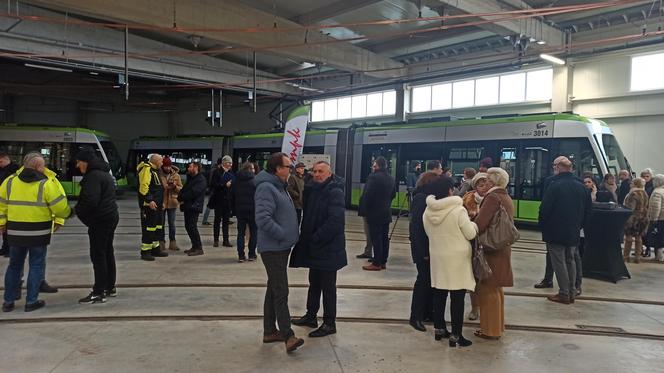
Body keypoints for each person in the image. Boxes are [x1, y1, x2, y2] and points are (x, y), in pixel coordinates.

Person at [1, 152, 71, 312]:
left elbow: (1, 205)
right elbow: (59, 206)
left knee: (14, 265)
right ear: (39, 167)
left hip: (15, 231)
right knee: (36, 265)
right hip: (39, 232)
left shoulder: (10, 182)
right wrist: (67, 214)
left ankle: (8, 302)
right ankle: (31, 301)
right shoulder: (45, 183)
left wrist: (1, 224)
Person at [290, 161, 347, 338]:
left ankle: (330, 323)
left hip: (328, 248)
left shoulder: (334, 192)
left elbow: (335, 222)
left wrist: (316, 237)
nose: (317, 174)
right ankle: (311, 316)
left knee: (328, 288)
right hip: (315, 247)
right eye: (314, 171)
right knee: (314, 283)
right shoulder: (313, 190)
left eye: (321, 171)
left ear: (329, 174)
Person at [255, 152, 304, 353]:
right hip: (273, 248)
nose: (291, 169)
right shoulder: (267, 188)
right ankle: (288, 335)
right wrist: (283, 234)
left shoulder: (280, 186)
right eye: (287, 166)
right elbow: (263, 219)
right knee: (281, 290)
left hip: (281, 248)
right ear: (277, 169)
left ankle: (269, 331)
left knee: (273, 288)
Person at [424, 176, 477, 347]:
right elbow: (470, 234)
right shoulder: (458, 210)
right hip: (457, 259)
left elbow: (428, 233)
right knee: (457, 297)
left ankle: (439, 329)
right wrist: (474, 224)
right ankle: (456, 335)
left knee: (439, 295)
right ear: (449, 190)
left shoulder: (428, 211)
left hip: (438, 256)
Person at [539, 157, 591, 305]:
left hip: (555, 230)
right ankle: (572, 291)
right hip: (573, 230)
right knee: (571, 260)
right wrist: (580, 225)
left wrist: (542, 226)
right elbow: (588, 210)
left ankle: (564, 293)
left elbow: (545, 209)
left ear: (558, 167)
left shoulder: (555, 185)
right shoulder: (582, 186)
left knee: (558, 262)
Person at [473, 167, 514, 339]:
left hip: (490, 249)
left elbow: (481, 224)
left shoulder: (492, 197)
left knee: (487, 289)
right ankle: (498, 327)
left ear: (493, 181)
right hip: (502, 247)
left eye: (488, 179)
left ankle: (489, 330)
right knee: (496, 289)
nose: (485, 181)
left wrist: (470, 219)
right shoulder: (505, 196)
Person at [74, 149, 119, 304]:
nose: (77, 165)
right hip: (111, 216)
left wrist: (77, 211)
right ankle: (109, 286)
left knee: (98, 255)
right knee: (107, 252)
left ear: (85, 162)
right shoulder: (105, 174)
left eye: (79, 161)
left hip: (100, 220)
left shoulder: (93, 176)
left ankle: (98, 292)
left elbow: (90, 200)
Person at [408, 171, 440, 332]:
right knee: (423, 281)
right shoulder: (421, 199)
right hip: (423, 250)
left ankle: (428, 313)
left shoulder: (429, 198)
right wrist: (423, 252)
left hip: (430, 248)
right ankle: (415, 316)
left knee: (431, 281)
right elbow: (416, 228)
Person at [359, 157, 396, 271]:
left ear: (377, 166)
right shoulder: (390, 178)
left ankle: (376, 263)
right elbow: (393, 194)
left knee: (376, 238)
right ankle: (383, 261)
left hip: (374, 212)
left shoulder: (373, 177)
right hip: (386, 212)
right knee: (384, 238)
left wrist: (365, 209)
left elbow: (367, 194)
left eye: (374, 165)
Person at [462, 172, 489, 320]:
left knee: (487, 278)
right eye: (480, 184)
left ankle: (487, 307)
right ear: (475, 186)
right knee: (474, 277)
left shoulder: (492, 199)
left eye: (486, 184)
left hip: (488, 243)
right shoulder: (467, 199)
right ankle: (475, 308)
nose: (484, 187)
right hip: (472, 242)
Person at [137, 154, 169, 261]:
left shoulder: (155, 170)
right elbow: (144, 187)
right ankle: (145, 252)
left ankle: (155, 249)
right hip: (149, 205)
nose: (162, 163)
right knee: (149, 228)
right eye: (161, 161)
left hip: (157, 205)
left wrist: (161, 203)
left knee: (156, 227)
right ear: (155, 161)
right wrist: (149, 200)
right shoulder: (147, 169)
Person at [179, 162, 207, 256]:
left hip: (194, 206)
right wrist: (180, 196)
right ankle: (194, 246)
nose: (188, 168)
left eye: (190, 167)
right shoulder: (191, 178)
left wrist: (182, 197)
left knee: (192, 226)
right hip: (188, 206)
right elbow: (184, 189)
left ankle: (199, 248)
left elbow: (193, 192)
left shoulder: (201, 179)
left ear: (196, 168)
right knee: (188, 226)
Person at [232, 162, 257, 262]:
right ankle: (251, 254)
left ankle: (241, 255)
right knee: (254, 232)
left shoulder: (236, 181)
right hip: (253, 210)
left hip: (240, 210)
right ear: (250, 169)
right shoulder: (255, 181)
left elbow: (231, 196)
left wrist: (233, 209)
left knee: (240, 233)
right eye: (253, 168)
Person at [158, 156, 182, 251]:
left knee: (172, 223)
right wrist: (165, 188)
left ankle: (173, 242)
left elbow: (181, 189)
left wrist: (175, 187)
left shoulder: (176, 175)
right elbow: (156, 188)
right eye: (165, 166)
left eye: (169, 166)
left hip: (173, 202)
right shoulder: (158, 174)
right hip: (162, 202)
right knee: (161, 223)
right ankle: (161, 242)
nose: (167, 168)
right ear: (162, 166)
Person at [623, 178, 649, 263]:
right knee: (639, 237)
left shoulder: (633, 193)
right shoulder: (644, 193)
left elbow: (630, 208)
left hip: (633, 218)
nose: (630, 185)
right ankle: (637, 257)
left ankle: (626, 256)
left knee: (629, 238)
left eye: (632, 183)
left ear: (635, 184)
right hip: (643, 217)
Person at [211, 155, 235, 247]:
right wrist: (224, 185)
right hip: (219, 199)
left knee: (226, 221)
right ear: (224, 162)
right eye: (229, 162)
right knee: (217, 220)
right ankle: (216, 240)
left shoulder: (231, 173)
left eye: (231, 163)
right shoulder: (217, 172)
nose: (230, 164)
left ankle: (226, 240)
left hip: (228, 200)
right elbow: (213, 184)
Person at [0, 152, 20, 257]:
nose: (0, 164)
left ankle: (9, 250)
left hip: (10, 202)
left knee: (8, 228)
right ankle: (5, 248)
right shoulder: (3, 170)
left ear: (6, 159)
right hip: (3, 201)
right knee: (4, 228)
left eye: (1, 161)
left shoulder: (14, 170)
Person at [647, 174, 664, 262]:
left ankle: (659, 256)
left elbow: (656, 207)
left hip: (660, 218)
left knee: (658, 237)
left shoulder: (657, 192)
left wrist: (654, 218)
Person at [641, 168, 655, 257]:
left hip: (648, 212)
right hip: (641, 212)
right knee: (641, 232)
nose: (645, 178)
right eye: (644, 176)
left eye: (647, 176)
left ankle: (648, 249)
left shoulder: (652, 187)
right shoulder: (642, 185)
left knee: (647, 232)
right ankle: (642, 249)